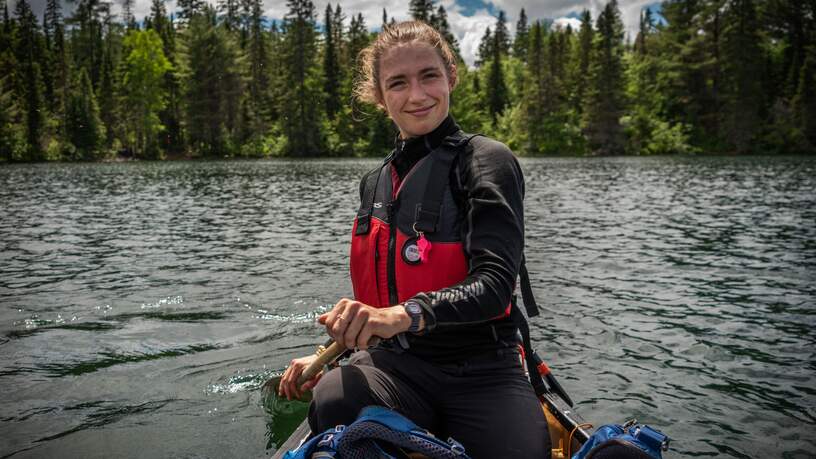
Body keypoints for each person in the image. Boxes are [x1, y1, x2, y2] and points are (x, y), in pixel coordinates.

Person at [279, 20, 551, 459]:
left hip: (483, 370)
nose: (417, 95)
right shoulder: (375, 183)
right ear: (380, 96)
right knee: (331, 398)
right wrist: (328, 353)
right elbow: (379, 297)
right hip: (398, 366)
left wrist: (403, 314)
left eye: (429, 76)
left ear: (451, 77)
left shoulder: (486, 161)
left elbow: (495, 284)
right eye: (398, 83)